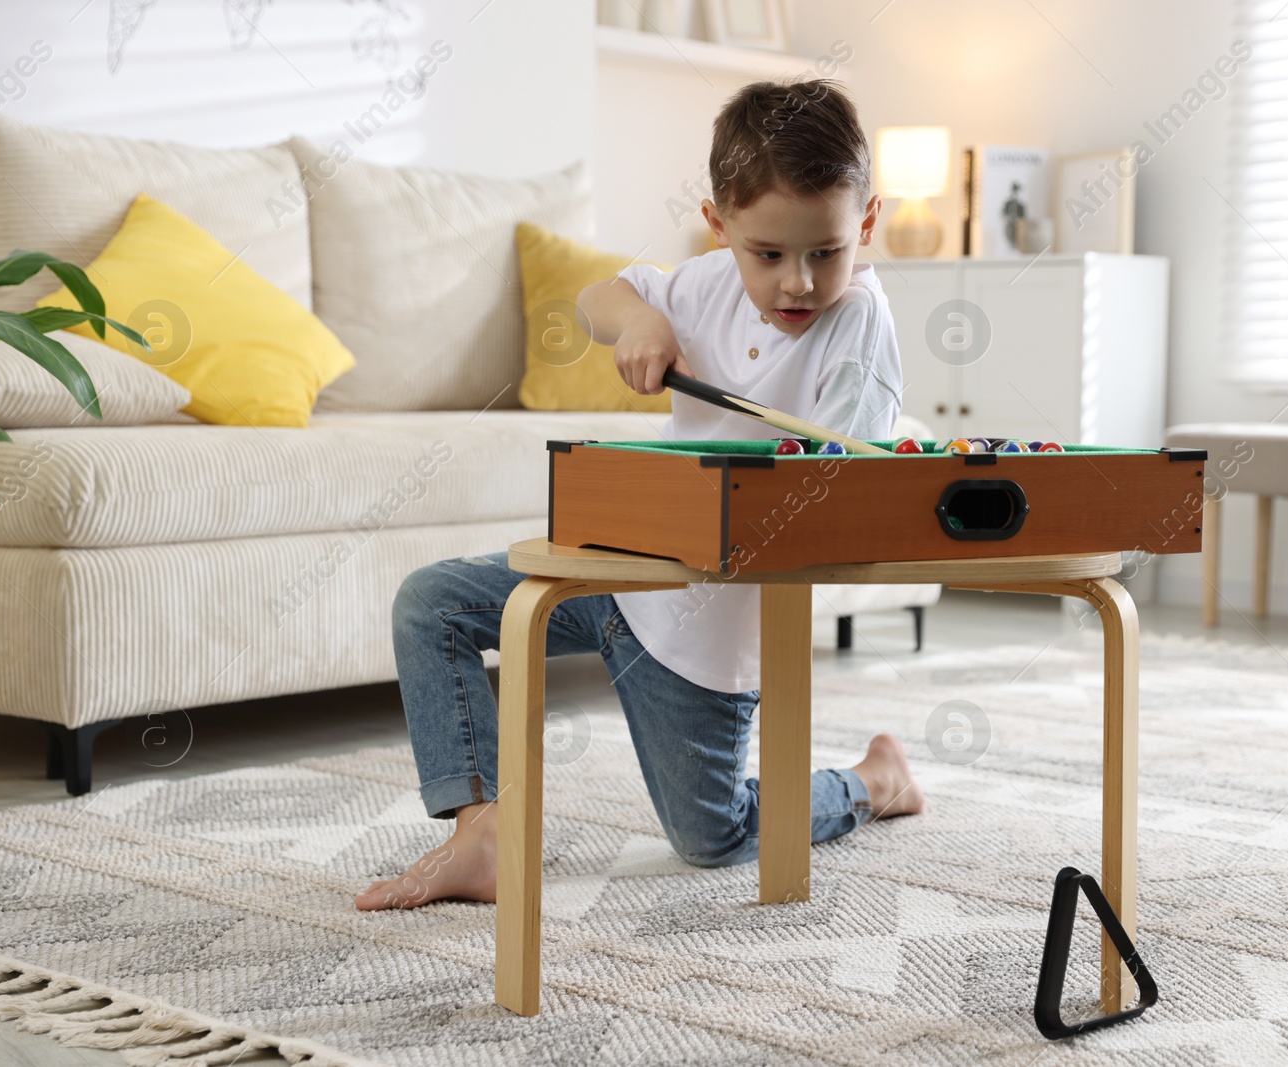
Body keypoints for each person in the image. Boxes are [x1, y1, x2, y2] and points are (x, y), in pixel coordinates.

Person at [357, 78, 924, 912]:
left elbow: (830, 505)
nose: (797, 282)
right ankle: (483, 831)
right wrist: (642, 323)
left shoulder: (860, 329)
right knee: (429, 603)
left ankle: (873, 781)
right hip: (618, 573)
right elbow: (594, 300)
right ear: (719, 223)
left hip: (701, 633)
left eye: (826, 252)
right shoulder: (705, 283)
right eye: (767, 254)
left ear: (866, 223)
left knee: (711, 838)